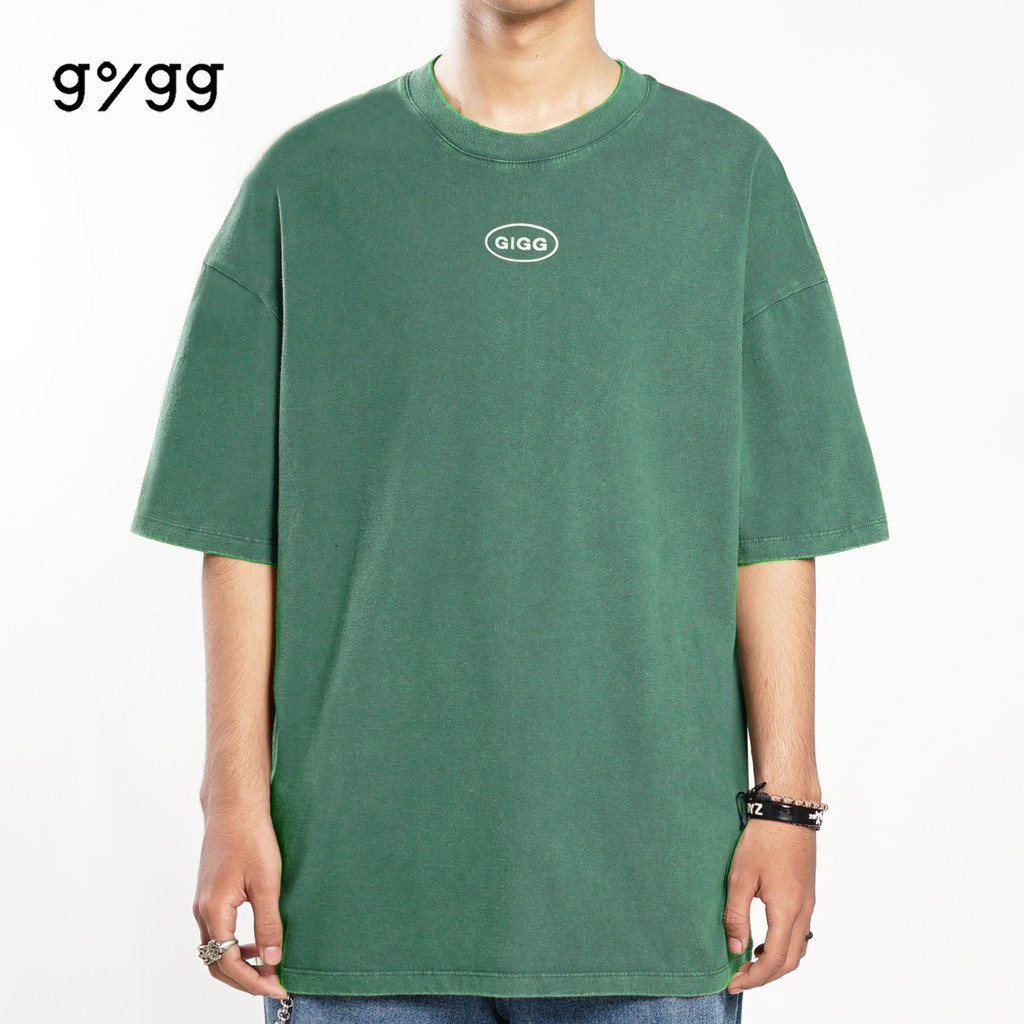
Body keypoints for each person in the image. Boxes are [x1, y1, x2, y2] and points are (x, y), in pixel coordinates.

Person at [129, 2, 889, 1022]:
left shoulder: (724, 175)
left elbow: (776, 530)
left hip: (653, 891)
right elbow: (238, 533)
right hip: (359, 890)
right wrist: (230, 801)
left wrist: (787, 804)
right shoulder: (308, 181)